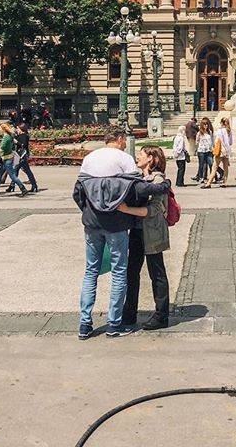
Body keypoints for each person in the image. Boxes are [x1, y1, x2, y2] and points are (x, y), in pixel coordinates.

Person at [73, 125, 170, 339]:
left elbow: (78, 192)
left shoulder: (89, 158)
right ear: (119, 139)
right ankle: (114, 324)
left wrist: (89, 211)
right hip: (117, 225)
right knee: (120, 273)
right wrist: (162, 187)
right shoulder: (124, 159)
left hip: (92, 224)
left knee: (91, 272)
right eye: (125, 140)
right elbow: (137, 190)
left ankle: (85, 324)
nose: (128, 146)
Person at [122, 146, 172, 331]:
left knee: (156, 273)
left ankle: (161, 315)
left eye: (141, 154)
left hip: (152, 231)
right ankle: (129, 312)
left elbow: (155, 209)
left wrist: (126, 209)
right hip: (137, 230)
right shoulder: (138, 177)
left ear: (151, 158)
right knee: (131, 272)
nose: (137, 156)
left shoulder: (158, 180)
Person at [0, 123, 28, 197]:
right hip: (6, 159)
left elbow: (0, 150)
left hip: (7, 160)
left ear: (3, 129)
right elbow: (12, 147)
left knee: (13, 176)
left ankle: (23, 189)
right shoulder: (10, 137)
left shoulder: (6, 138)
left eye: (0, 128)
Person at [204, 117, 232, 188]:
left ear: (221, 123)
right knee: (225, 167)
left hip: (220, 150)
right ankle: (224, 182)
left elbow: (217, 141)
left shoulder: (220, 130)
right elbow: (231, 142)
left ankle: (209, 183)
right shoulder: (229, 131)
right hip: (226, 151)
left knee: (214, 167)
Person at [12, 123, 39, 192]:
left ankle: (12, 186)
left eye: (18, 129)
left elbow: (23, 145)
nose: (17, 130)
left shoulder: (24, 136)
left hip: (22, 155)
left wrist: (16, 142)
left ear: (21, 129)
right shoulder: (19, 135)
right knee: (18, 171)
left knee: (17, 170)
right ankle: (34, 185)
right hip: (18, 155)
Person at [195, 118, 214, 184]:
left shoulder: (210, 132)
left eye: (207, 124)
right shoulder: (199, 133)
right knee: (201, 165)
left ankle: (212, 177)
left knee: (211, 163)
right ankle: (201, 177)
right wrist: (198, 148)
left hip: (209, 150)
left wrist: (213, 148)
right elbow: (197, 142)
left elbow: (212, 140)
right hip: (201, 150)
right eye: (204, 124)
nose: (206, 126)